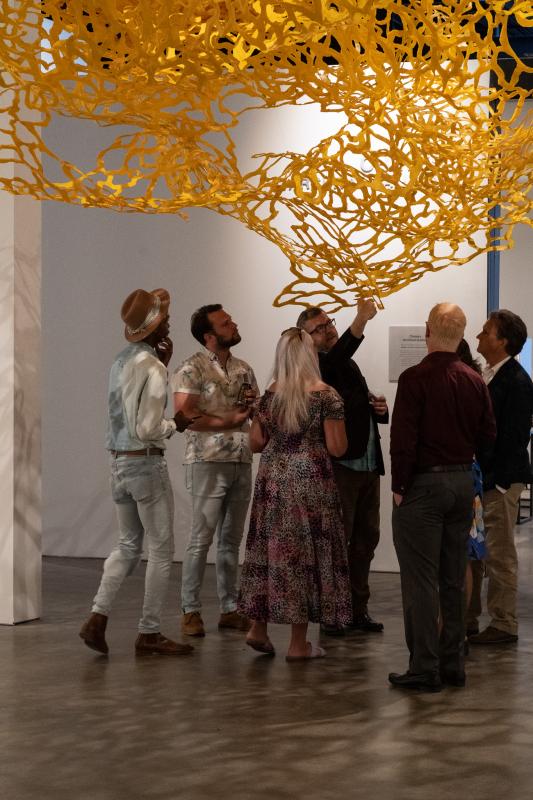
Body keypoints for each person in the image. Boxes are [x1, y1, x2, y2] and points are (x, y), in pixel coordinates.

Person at [79, 288, 196, 656]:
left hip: (118, 462)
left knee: (128, 545)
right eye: (164, 319)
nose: (170, 323)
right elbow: (148, 427)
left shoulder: (121, 361)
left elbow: (121, 417)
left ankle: (97, 617)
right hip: (145, 462)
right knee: (161, 550)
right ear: (154, 328)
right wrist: (176, 423)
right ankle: (149, 632)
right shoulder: (155, 368)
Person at [389, 303, 496, 692]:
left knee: (420, 580)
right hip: (462, 481)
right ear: (461, 334)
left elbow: (403, 441)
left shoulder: (415, 379)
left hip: (424, 485)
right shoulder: (473, 379)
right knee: (453, 576)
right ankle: (453, 663)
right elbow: (488, 436)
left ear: (428, 331)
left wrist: (399, 488)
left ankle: (424, 666)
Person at [238, 327, 351, 660]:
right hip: (310, 483)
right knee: (303, 555)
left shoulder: (269, 396)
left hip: (273, 479)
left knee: (268, 550)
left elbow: (256, 443)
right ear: (310, 356)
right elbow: (337, 447)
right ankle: (298, 644)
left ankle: (257, 627)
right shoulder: (326, 396)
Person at [297, 299, 388, 635]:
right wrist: (360, 320)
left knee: (366, 539)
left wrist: (378, 410)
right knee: (337, 541)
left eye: (328, 322)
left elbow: (352, 403)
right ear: (305, 338)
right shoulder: (315, 367)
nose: (328, 330)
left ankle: (356, 609)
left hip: (365, 464)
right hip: (340, 467)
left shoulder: (345, 364)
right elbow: (336, 359)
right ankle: (332, 611)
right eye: (318, 328)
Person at [172, 305, 259, 637]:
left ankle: (229, 607)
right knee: (201, 538)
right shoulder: (190, 369)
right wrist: (230, 420)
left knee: (231, 540)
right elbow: (185, 416)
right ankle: (190, 610)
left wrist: (254, 410)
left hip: (240, 459)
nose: (233, 324)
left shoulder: (243, 369)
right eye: (225, 323)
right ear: (209, 336)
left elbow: (253, 410)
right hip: (207, 461)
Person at [468, 310, 533, 645]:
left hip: (500, 481)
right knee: (480, 551)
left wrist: (498, 482)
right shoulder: (489, 374)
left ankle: (504, 623)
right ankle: (478, 618)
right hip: (486, 479)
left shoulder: (518, 382)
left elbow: (514, 438)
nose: (479, 336)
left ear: (503, 341)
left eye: (486, 331)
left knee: (499, 553)